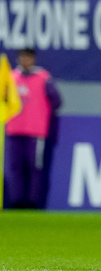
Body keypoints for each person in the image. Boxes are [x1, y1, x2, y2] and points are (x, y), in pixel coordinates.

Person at [4, 48, 62, 209]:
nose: (25, 61)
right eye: (22, 57)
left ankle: (33, 202)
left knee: (34, 167)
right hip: (14, 129)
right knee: (15, 167)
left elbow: (56, 102)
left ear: (33, 59)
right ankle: (16, 201)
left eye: (28, 57)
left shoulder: (43, 78)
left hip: (35, 131)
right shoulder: (11, 78)